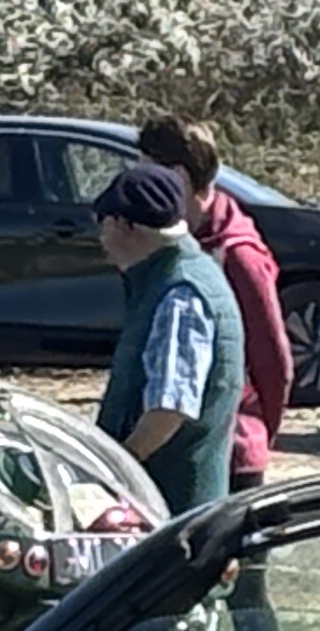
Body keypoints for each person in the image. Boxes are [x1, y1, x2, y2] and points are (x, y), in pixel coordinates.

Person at [135, 114, 291, 486]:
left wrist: (256, 434)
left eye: (148, 172)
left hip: (231, 455)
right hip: (177, 447)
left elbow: (274, 362)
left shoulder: (238, 255)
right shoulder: (172, 243)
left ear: (180, 177)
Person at [89, 161, 243, 513]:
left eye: (103, 223)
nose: (101, 238)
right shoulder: (184, 274)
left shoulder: (180, 294)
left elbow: (169, 409)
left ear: (124, 225)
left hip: (174, 509)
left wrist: (117, 471)